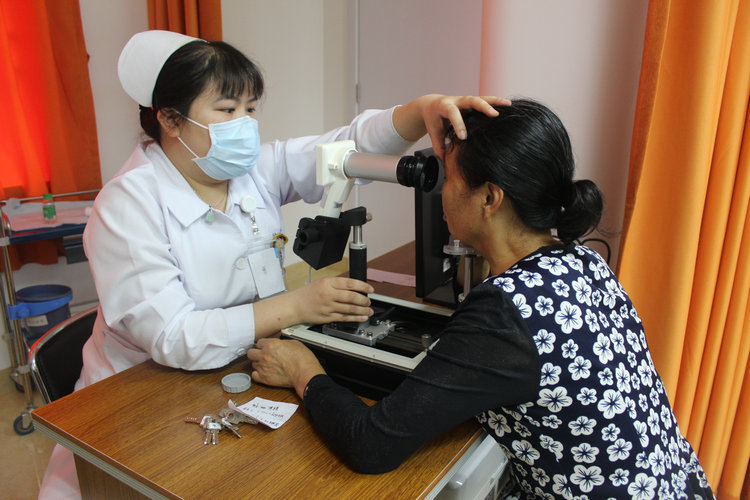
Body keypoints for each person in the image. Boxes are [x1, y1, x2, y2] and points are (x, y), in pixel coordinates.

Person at [38, 29, 507, 499]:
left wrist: (418, 111)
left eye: (250, 108)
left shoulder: (250, 170)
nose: (245, 124)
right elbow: (175, 338)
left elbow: (342, 150)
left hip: (239, 368)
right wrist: (297, 306)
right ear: (170, 119)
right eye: (227, 110)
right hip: (138, 403)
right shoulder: (126, 206)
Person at [248, 99, 715, 499]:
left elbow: (371, 445)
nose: (440, 192)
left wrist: (302, 370)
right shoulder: (582, 259)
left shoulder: (505, 314)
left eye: (449, 178)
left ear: (490, 198)